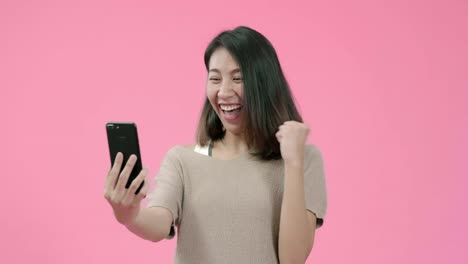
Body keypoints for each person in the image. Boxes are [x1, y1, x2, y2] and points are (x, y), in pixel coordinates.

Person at [103, 26, 327, 264]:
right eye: (215, 79)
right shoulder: (182, 160)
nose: (224, 92)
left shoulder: (304, 159)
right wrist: (129, 215)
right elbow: (158, 224)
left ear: (265, 84)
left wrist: (293, 162)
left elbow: (293, 259)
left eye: (238, 78)